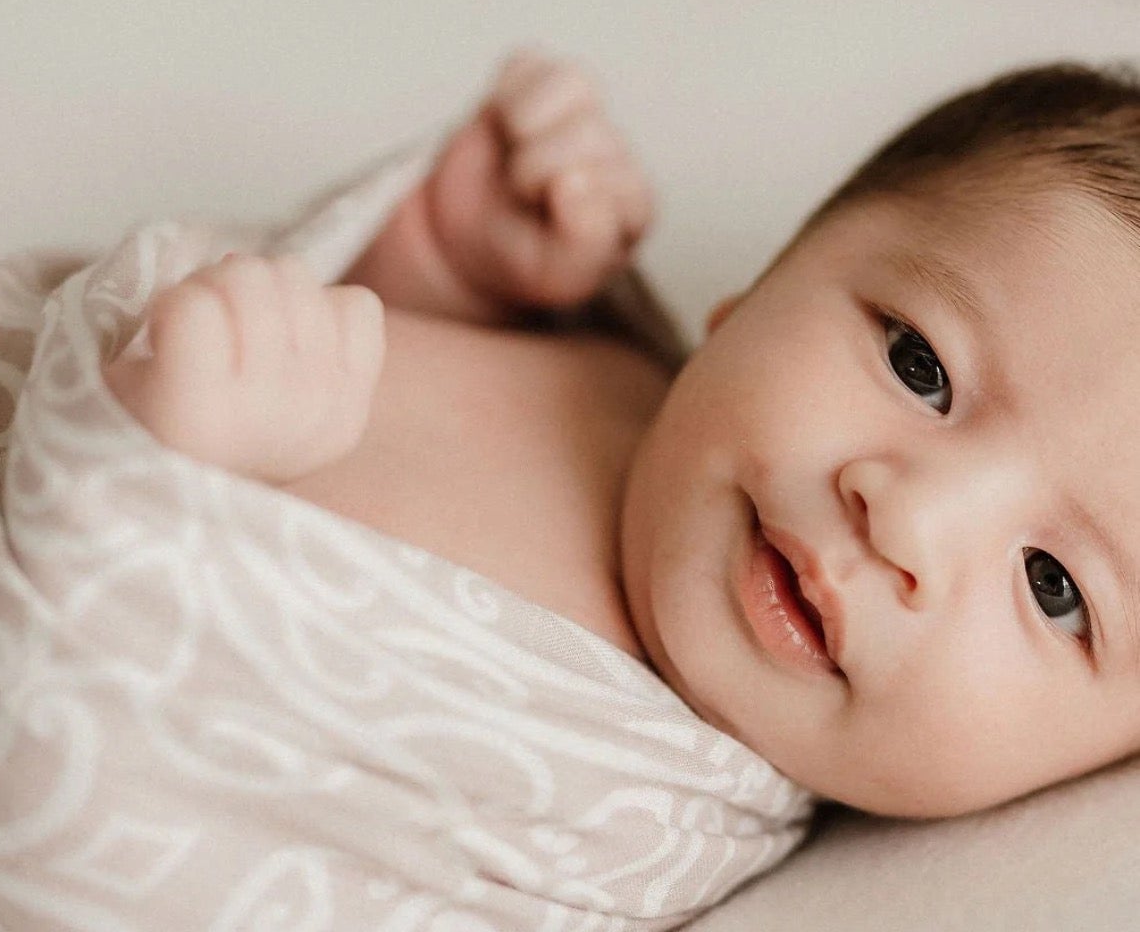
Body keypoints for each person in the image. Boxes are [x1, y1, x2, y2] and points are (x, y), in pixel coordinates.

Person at [105, 50, 1140, 821]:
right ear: (765, 282)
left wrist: (146, 484)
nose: (906, 518)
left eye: (1055, 587)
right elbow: (369, 352)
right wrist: (443, 264)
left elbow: (111, 829)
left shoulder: (614, 812)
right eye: (919, 365)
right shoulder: (622, 373)